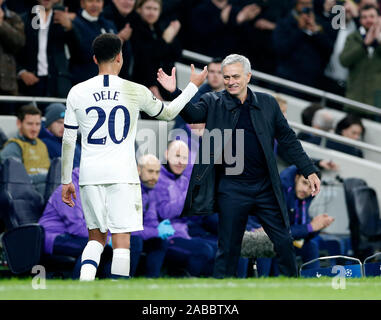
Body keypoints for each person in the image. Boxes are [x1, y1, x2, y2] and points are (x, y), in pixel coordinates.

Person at [157, 53, 321, 278]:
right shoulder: (214, 101)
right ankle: (222, 296)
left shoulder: (268, 103)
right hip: (231, 186)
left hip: (265, 186)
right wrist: (176, 92)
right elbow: (192, 114)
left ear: (248, 76)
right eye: (226, 77)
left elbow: (289, 139)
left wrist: (308, 169)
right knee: (229, 247)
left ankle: (291, 290)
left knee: (283, 240)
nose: (231, 81)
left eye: (236, 76)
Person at [61, 33, 207, 281]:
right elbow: (169, 112)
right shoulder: (134, 90)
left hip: (89, 174)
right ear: (120, 57)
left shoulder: (77, 92)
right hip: (122, 175)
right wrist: (192, 85)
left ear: (95, 58)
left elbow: (67, 140)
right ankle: (118, 292)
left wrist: (66, 180)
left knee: (95, 239)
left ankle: (82, 290)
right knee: (121, 241)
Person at [154, 140, 215, 277]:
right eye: (177, 156)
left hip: (185, 233)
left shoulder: (184, 181)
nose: (180, 161)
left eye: (184, 158)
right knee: (204, 250)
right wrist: (188, 197)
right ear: (167, 154)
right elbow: (164, 212)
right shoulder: (158, 178)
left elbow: (192, 215)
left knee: (218, 248)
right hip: (167, 237)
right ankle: (182, 281)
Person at [272, 0, 333, 96]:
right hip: (287, 80)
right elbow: (281, 49)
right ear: (296, 4)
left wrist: (315, 32)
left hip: (311, 83)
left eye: (309, 4)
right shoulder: (285, 23)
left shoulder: (320, 23)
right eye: (303, 4)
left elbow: (329, 50)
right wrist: (300, 30)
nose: (307, 7)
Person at [17, 0, 74, 100]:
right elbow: (12, 50)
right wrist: (21, 71)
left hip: (57, 82)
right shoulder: (23, 19)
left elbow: (79, 51)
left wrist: (70, 28)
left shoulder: (63, 19)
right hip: (30, 82)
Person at [130, 0, 182, 103]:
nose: (151, 12)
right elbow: (146, 57)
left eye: (155, 9)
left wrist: (171, 37)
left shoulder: (160, 28)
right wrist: (165, 39)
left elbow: (177, 54)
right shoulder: (134, 29)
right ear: (139, 9)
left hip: (166, 87)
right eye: (148, 8)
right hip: (147, 88)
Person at [0, 104, 50, 196]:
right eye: (30, 124)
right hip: (27, 198)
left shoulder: (42, 145)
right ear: (19, 123)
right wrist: (47, 177)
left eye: (37, 124)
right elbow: (16, 179)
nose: (34, 129)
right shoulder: (13, 147)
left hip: (47, 194)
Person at [340, 4, 381, 114]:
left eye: (372, 16)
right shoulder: (353, 37)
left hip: (377, 103)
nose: (369, 20)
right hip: (354, 99)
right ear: (360, 20)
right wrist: (364, 45)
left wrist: (378, 40)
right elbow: (344, 61)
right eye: (364, 17)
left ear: (378, 18)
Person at [68, 0, 118, 85]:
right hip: (82, 81)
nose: (94, 5)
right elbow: (82, 51)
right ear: (82, 3)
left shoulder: (109, 25)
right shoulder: (74, 23)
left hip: (107, 82)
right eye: (90, 1)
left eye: (98, 1)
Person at [38, 103, 81, 168]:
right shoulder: (43, 144)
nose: (63, 127)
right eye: (59, 122)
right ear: (49, 123)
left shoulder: (73, 142)